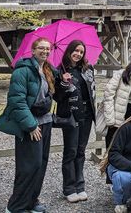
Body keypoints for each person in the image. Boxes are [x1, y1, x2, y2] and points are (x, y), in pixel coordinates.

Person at [0, 37, 57, 213]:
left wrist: (65, 80)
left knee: (41, 164)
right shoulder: (22, 72)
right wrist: (30, 126)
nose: (45, 51)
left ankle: (31, 201)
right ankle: (15, 206)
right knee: (29, 165)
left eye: (48, 49)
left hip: (45, 122)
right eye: (41, 48)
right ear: (33, 50)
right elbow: (17, 101)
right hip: (31, 125)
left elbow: (53, 89)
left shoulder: (47, 70)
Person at [53, 40, 96, 203]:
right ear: (69, 51)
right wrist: (63, 82)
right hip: (70, 115)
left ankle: (80, 186)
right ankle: (69, 188)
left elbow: (92, 92)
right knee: (70, 151)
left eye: (81, 52)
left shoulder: (88, 69)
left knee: (81, 151)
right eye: (76, 51)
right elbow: (56, 97)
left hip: (87, 114)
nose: (78, 54)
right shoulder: (60, 70)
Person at [98, 51, 131, 148]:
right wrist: (110, 119)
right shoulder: (121, 74)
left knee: (127, 147)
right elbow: (108, 95)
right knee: (111, 148)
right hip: (116, 115)